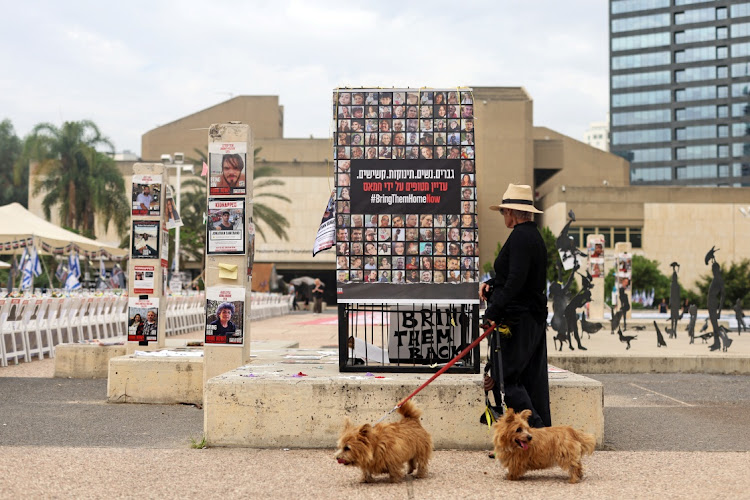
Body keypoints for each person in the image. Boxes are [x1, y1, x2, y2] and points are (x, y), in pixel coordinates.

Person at [479, 183, 550, 429]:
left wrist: (492, 312)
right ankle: (532, 438)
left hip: (518, 320)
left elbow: (516, 282)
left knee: (505, 377)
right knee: (530, 378)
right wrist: (491, 284)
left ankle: (538, 434)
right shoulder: (533, 236)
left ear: (511, 213)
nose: (503, 217)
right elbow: (517, 278)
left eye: (503, 212)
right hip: (532, 318)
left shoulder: (520, 237)